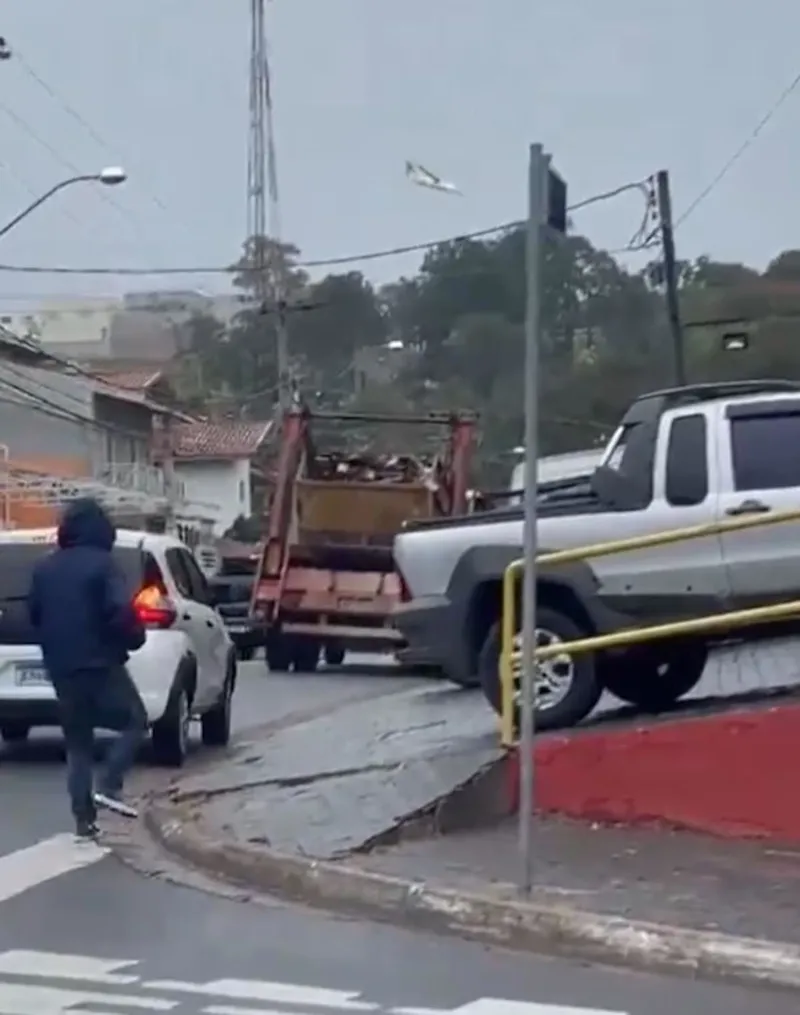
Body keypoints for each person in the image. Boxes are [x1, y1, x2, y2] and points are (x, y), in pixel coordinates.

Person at [28, 497, 148, 841]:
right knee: (135, 720)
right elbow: (119, 611)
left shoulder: (45, 567)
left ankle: (84, 820)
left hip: (61, 667)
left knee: (78, 742)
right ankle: (109, 785)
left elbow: (35, 614)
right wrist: (132, 638)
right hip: (99, 662)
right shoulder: (103, 565)